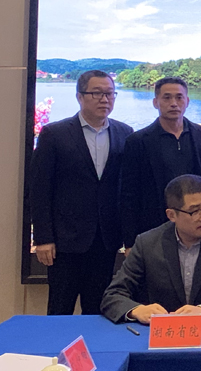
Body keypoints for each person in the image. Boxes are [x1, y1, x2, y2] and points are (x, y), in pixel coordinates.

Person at [29, 70, 133, 315]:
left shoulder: (125, 133)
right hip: (65, 241)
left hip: (105, 240)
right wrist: (43, 238)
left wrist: (129, 238)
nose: (104, 99)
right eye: (97, 93)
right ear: (79, 96)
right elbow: (40, 189)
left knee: (98, 310)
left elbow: (126, 190)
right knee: (60, 309)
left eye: (110, 94)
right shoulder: (54, 134)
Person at [101, 175, 201, 323]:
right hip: (162, 332)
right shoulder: (147, 243)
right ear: (171, 215)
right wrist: (137, 310)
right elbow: (113, 295)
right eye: (195, 211)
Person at [119, 77, 201, 251]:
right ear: (156, 102)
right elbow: (128, 194)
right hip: (153, 227)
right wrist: (130, 241)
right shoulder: (138, 141)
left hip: (196, 225)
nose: (174, 103)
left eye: (179, 97)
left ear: (187, 101)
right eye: (167, 98)